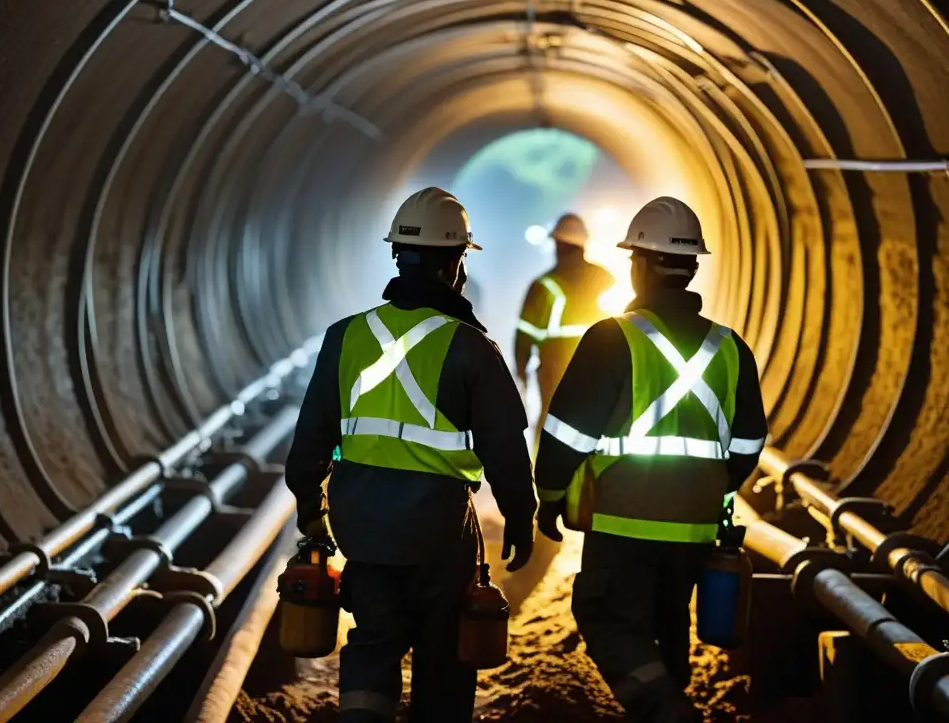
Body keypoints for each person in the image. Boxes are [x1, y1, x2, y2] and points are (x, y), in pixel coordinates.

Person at [283, 187, 537, 723]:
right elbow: (505, 446)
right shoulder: (471, 347)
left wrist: (311, 505)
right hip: (438, 531)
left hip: (362, 525)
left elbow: (309, 440)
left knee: (373, 640)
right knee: (443, 652)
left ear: (398, 254)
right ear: (455, 262)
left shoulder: (344, 337)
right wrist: (519, 513)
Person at [534, 197, 767, 722]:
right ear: (690, 267)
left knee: (604, 614)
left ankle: (666, 708)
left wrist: (549, 496)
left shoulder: (612, 337)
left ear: (637, 264)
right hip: (694, 526)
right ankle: (666, 696)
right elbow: (751, 442)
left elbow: (566, 433)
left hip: (623, 519)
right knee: (667, 623)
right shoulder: (731, 348)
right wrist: (714, 484)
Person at [508, 212, 614, 610]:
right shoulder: (606, 279)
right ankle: (589, 508)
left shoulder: (544, 286)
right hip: (602, 385)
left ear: (557, 244)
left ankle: (547, 502)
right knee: (596, 451)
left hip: (555, 384)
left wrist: (520, 372)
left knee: (549, 445)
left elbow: (525, 336)